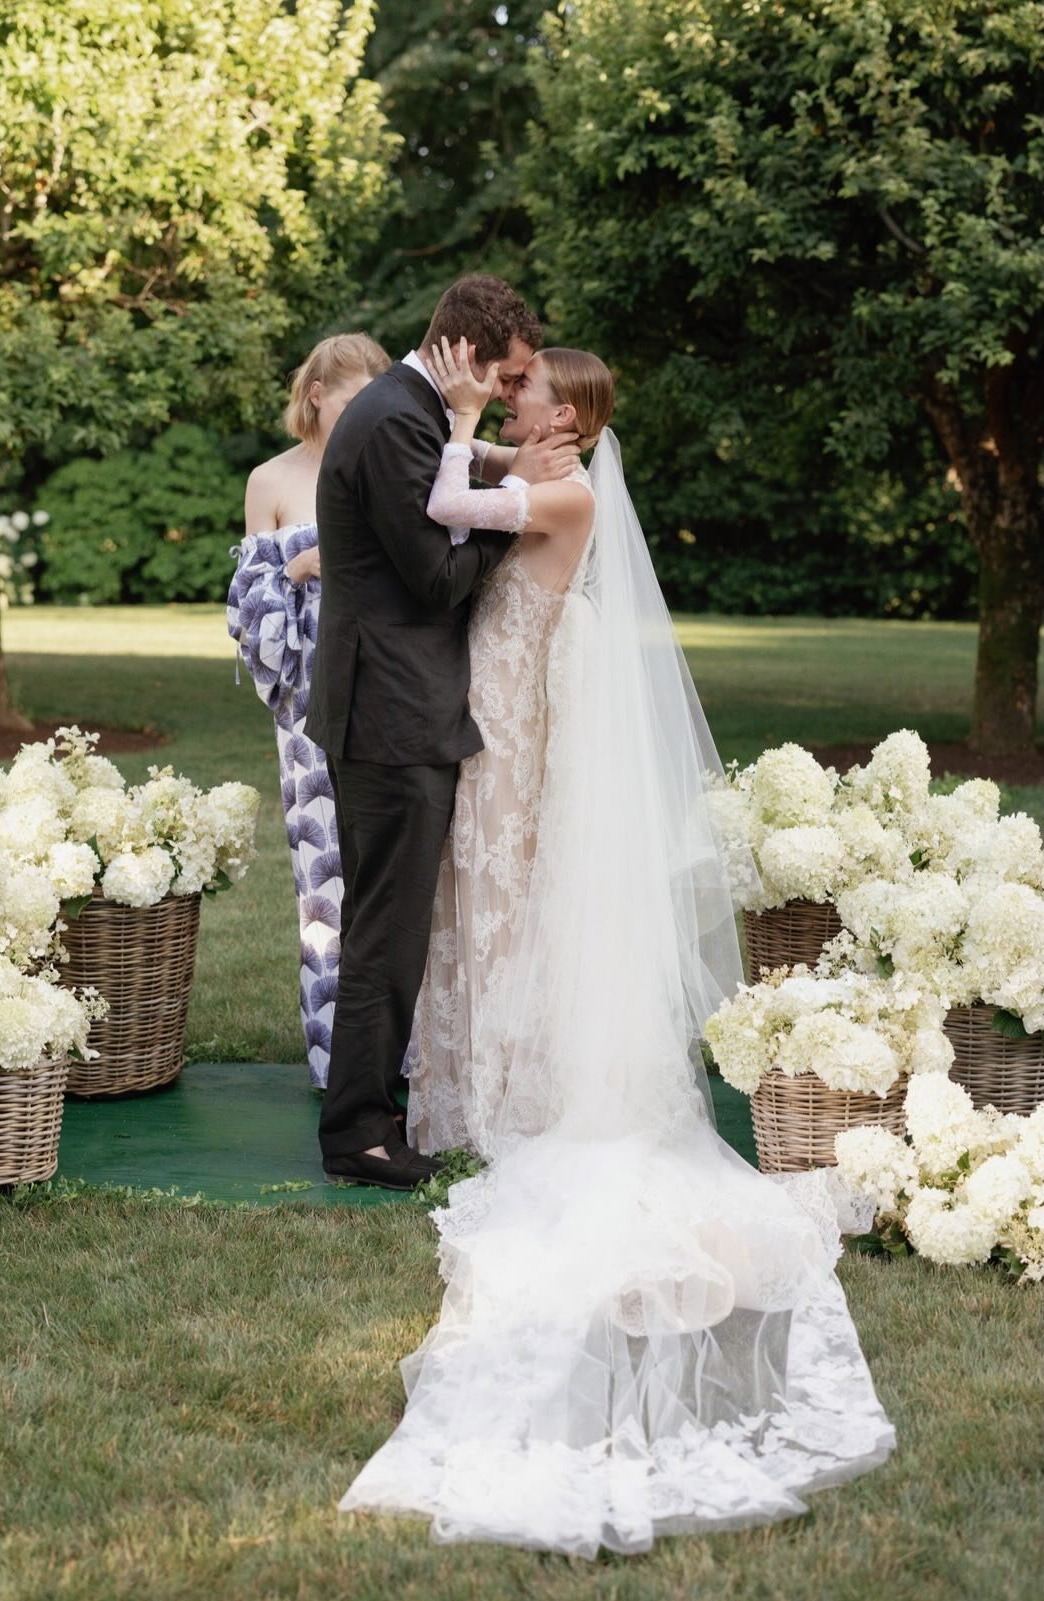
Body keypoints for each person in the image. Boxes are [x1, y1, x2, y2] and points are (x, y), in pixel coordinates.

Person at [338, 339, 896, 1554]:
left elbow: (446, 495)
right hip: (489, 695)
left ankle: (494, 1089)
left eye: (531, 391)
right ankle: (454, 1077)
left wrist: (454, 414)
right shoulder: (550, 474)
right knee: (469, 904)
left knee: (488, 899)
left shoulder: (565, 491)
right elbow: (472, 471)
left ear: (570, 417)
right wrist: (484, 428)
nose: (515, 398)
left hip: (502, 711)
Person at [304, 275, 582, 1190]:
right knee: (385, 928)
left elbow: (443, 487)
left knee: (394, 925)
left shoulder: (412, 410)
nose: (508, 397)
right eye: (503, 379)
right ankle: (358, 1135)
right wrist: (519, 516)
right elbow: (434, 575)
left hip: (402, 705)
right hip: (389, 711)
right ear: (463, 352)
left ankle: (372, 1112)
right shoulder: (395, 419)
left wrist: (502, 470)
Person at [227, 333, 389, 1088]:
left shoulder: (387, 464)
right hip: (304, 700)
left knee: (393, 869)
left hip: (387, 686)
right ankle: (335, 1061)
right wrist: (297, 565)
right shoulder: (270, 479)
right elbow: (246, 607)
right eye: (353, 401)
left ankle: (407, 1054)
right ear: (317, 393)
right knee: (323, 878)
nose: (366, 417)